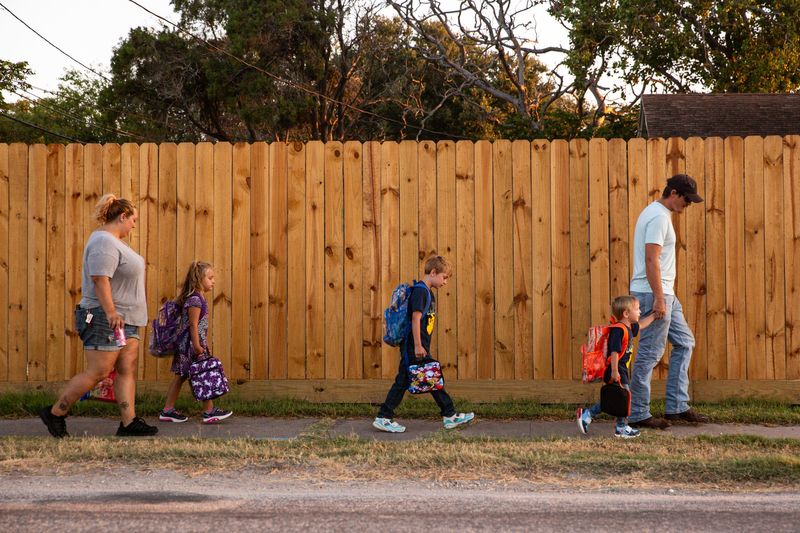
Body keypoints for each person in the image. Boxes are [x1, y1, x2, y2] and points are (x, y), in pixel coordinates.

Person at [39, 194, 158, 438]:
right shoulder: (104, 241)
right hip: (105, 316)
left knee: (126, 368)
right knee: (99, 372)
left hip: (126, 318)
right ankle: (55, 413)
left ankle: (128, 422)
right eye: (133, 219)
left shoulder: (114, 241)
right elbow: (100, 279)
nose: (134, 225)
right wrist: (112, 312)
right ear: (122, 216)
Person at [628, 174, 709, 429]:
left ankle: (676, 406)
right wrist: (660, 299)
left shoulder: (657, 213)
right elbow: (651, 260)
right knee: (650, 354)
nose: (688, 205)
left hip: (664, 294)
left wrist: (666, 297)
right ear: (673, 193)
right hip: (655, 294)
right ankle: (638, 413)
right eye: (687, 200)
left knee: (685, 342)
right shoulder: (659, 217)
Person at [373, 255, 474, 433]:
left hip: (417, 347)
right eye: (444, 277)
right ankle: (384, 417)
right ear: (433, 272)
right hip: (413, 347)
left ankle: (448, 415)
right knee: (419, 379)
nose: (445, 282)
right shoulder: (421, 292)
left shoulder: (427, 292)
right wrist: (419, 346)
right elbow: (415, 319)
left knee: (428, 378)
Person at [159, 261, 233, 424]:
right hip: (190, 346)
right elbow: (192, 325)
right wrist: (198, 345)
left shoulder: (197, 298)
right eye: (210, 278)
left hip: (191, 345)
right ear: (199, 279)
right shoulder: (195, 300)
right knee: (201, 374)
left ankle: (169, 410)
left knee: (185, 376)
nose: (213, 281)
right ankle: (207, 411)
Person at [577, 295, 657, 438]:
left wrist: (655, 315)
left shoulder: (629, 328)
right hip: (615, 369)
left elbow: (642, 324)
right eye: (637, 309)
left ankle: (588, 414)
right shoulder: (618, 330)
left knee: (617, 399)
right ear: (626, 313)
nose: (639, 312)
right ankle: (621, 427)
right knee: (624, 398)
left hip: (621, 369)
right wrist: (614, 371)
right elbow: (614, 352)